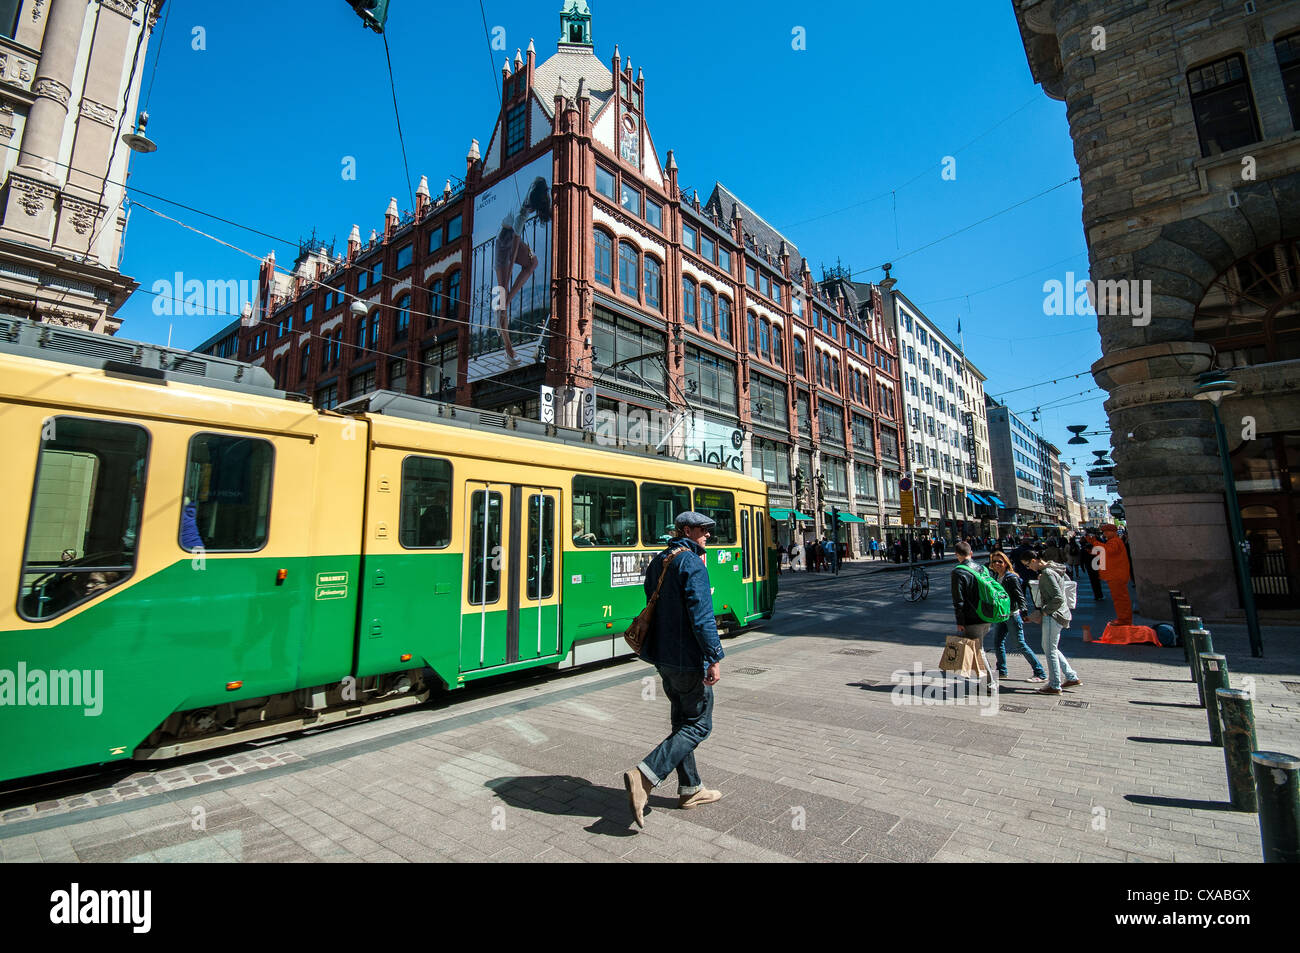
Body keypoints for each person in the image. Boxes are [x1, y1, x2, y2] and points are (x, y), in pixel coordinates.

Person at [625, 511, 725, 827]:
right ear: (687, 530)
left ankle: (690, 789)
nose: (708, 534)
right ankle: (645, 775)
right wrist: (713, 656)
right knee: (698, 724)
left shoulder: (660, 560)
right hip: (687, 658)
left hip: (663, 656)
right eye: (703, 529)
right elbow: (702, 617)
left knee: (682, 721)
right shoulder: (692, 564)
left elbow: (652, 600)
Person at [492, 176, 552, 366]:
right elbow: (514, 250)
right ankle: (509, 351)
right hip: (504, 244)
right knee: (503, 302)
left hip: (507, 240)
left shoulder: (530, 194)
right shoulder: (520, 215)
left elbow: (540, 180)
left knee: (533, 262)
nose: (534, 211)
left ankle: (504, 303)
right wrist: (509, 281)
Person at [1026, 553, 1081, 695]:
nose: (1028, 568)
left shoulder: (1047, 574)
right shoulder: (1053, 568)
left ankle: (1054, 685)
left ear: (1034, 560)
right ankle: (1071, 677)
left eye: (1028, 564)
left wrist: (1044, 611)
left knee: (1049, 650)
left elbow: (1057, 598)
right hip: (1061, 613)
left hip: (1053, 615)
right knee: (1051, 647)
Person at [988, 551, 1047, 682]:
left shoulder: (1011, 577)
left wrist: (1024, 613)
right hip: (1001, 616)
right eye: (994, 562)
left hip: (1012, 615)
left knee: (1020, 644)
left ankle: (1040, 672)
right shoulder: (997, 576)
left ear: (1006, 563)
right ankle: (1001, 671)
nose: (997, 564)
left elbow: (1020, 597)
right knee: (998, 643)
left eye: (1000, 561)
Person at [950, 541, 997, 690]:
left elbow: (958, 600)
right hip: (986, 614)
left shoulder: (958, 572)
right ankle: (982, 680)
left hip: (972, 618)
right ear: (971, 553)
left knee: (978, 650)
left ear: (957, 555)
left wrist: (960, 620)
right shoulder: (982, 568)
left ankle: (990, 683)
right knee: (977, 648)